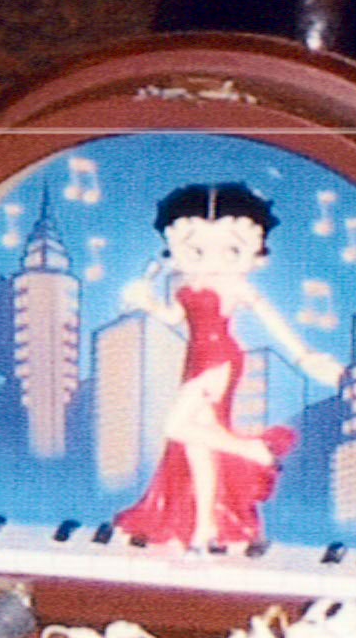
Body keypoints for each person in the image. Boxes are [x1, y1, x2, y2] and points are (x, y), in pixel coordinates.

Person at [110, 183, 340, 551]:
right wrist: (146, 302)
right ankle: (205, 528)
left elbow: (271, 318)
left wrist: (303, 356)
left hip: (219, 359)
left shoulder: (235, 285)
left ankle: (254, 451)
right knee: (197, 448)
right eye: (196, 250)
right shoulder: (182, 283)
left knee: (175, 426)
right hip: (195, 358)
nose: (212, 260)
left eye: (231, 250)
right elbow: (174, 317)